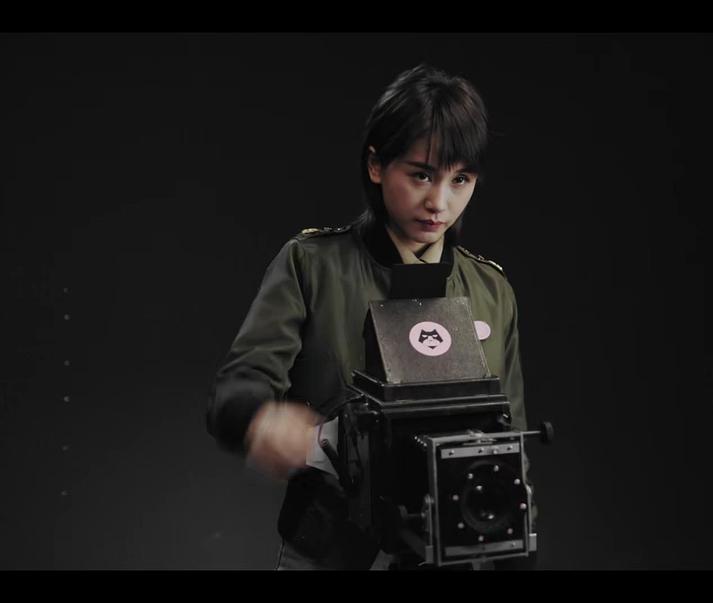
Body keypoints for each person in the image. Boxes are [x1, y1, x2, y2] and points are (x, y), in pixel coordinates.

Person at [205, 64, 537, 570]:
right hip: (327, 542)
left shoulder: (491, 291)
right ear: (377, 165)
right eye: (421, 174)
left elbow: (510, 445)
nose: (439, 202)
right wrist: (258, 419)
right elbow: (238, 385)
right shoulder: (312, 265)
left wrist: (517, 555)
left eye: (460, 179)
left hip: (456, 548)